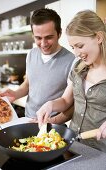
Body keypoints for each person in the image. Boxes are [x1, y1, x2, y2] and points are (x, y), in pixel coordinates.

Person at [36, 9, 106, 153]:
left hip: (101, 151)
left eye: (80, 46)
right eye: (73, 47)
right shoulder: (78, 67)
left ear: (98, 37)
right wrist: (51, 105)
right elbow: (66, 101)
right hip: (73, 145)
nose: (76, 53)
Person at [0, 8, 75, 123]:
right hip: (27, 118)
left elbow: (68, 103)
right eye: (38, 38)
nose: (43, 44)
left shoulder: (72, 61)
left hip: (52, 125)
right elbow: (28, 84)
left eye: (49, 37)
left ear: (59, 33)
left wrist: (51, 121)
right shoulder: (31, 54)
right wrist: (15, 93)